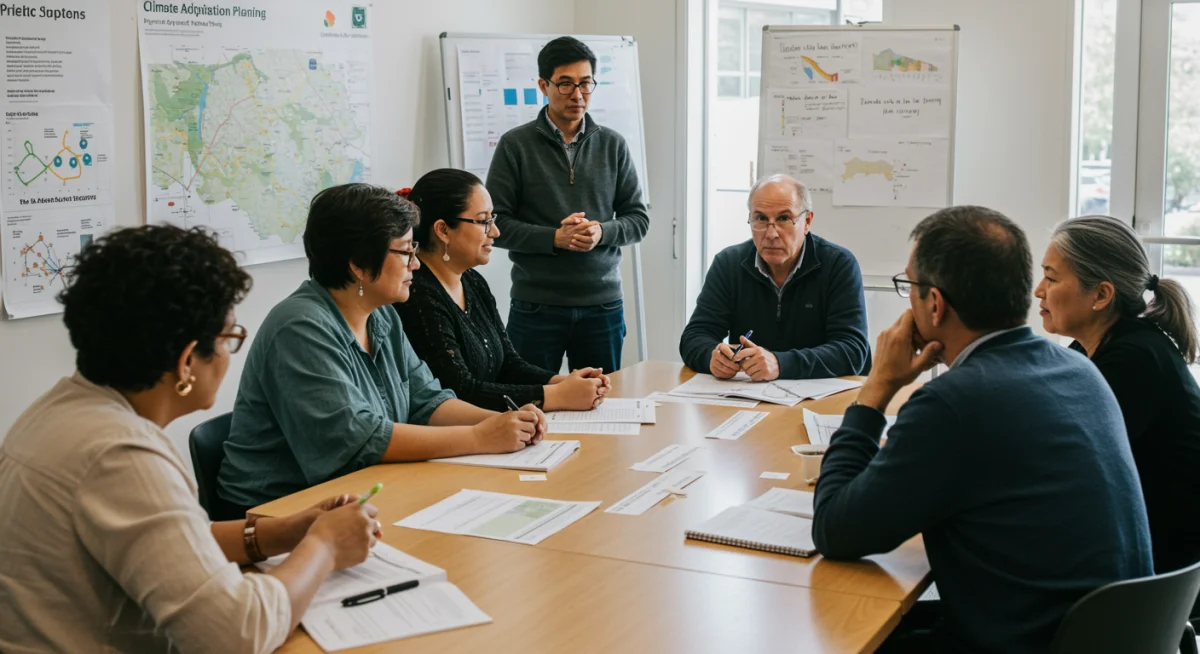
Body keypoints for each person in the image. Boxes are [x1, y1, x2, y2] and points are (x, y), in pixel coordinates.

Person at [0, 225, 381, 653]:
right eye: (228, 338)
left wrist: (284, 533)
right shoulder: (120, 455)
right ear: (186, 362)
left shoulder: (58, 410)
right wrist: (324, 546)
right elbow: (236, 633)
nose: (227, 355)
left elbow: (167, 547)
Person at [813, 206, 1152, 653]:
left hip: (1029, 640)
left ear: (935, 304)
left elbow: (836, 530)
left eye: (910, 287)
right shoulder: (1079, 369)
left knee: (834, 631)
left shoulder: (952, 404)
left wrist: (877, 387)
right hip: (1112, 635)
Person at [219, 184, 547, 514]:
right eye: (405, 252)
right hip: (278, 511)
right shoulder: (300, 327)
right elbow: (358, 438)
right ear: (359, 264)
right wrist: (479, 437)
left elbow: (427, 401)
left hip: (361, 491)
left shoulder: (382, 314)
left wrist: (504, 424)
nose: (416, 265)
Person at [1036, 215, 1200, 576]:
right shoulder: (1093, 350)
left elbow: (1060, 462)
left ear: (1102, 294)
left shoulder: (1135, 360)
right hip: (1135, 554)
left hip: (1156, 575)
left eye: (1051, 277)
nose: (1038, 290)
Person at [486, 36, 650, 374]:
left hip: (602, 306)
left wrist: (601, 232)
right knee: (530, 405)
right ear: (543, 85)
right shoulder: (515, 145)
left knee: (600, 408)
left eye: (585, 84)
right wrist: (554, 238)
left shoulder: (613, 145)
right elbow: (495, 224)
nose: (577, 95)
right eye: (565, 84)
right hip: (536, 306)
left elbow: (638, 219)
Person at [395, 168, 612, 412]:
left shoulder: (473, 281)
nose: (495, 232)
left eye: (493, 220)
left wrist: (568, 382)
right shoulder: (417, 295)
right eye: (483, 221)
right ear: (443, 230)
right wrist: (557, 395)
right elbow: (460, 390)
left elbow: (509, 364)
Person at [679, 174, 870, 380]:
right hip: (749, 396)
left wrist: (780, 364)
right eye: (760, 218)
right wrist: (712, 356)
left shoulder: (838, 265)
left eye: (784, 218)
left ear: (807, 222)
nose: (771, 234)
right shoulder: (728, 264)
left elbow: (852, 351)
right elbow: (695, 336)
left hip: (820, 399)